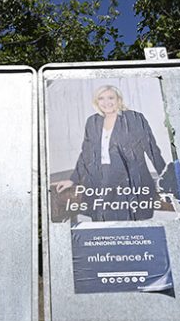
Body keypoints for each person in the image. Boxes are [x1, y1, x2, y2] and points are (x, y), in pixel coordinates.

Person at [54, 85, 167, 222]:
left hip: (128, 180)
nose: (106, 102)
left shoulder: (134, 118)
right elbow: (86, 154)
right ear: (97, 102)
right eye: (101, 98)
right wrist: (73, 179)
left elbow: (152, 149)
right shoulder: (92, 121)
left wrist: (166, 176)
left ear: (118, 99)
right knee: (102, 225)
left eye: (110, 97)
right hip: (99, 180)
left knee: (129, 225)